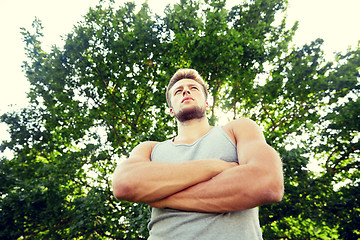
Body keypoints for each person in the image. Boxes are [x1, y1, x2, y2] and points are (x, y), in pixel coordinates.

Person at [112, 68, 284, 240]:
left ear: (207, 103)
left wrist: (163, 197)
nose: (186, 91)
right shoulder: (149, 149)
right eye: (178, 91)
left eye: (193, 88)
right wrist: (216, 166)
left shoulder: (238, 130)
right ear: (171, 110)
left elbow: (267, 183)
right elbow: (124, 184)